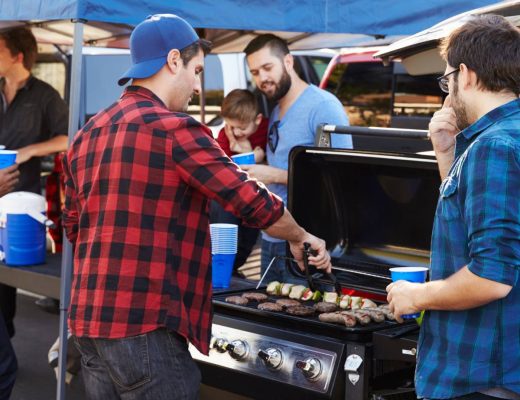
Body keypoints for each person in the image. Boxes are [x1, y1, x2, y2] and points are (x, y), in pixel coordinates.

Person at [62, 14, 331, 400]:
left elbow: (74, 226)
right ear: (173, 61)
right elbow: (250, 199)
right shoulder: (175, 129)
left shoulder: (89, 132)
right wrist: (300, 236)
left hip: (88, 323)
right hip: (144, 326)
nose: (197, 85)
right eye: (197, 70)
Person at [386, 15, 520, 400]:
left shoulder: (494, 147)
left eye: (446, 80)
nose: (448, 93)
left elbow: (492, 276)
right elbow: (478, 222)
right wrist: (446, 153)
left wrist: (419, 295)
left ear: (466, 75)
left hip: (482, 377)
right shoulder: (499, 139)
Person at [242, 34, 352, 283]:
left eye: (268, 68)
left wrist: (274, 175)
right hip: (271, 238)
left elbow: (342, 177)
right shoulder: (277, 109)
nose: (262, 78)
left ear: (288, 62)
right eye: (255, 72)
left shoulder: (323, 106)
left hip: (308, 243)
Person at [0, 27, 68, 336]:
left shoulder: (45, 95)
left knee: (9, 274)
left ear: (18, 55)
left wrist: (29, 150)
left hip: (20, 203)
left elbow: (70, 138)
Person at [211, 88, 268, 272]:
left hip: (254, 199)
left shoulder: (265, 129)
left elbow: (268, 154)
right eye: (231, 126)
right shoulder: (224, 135)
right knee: (226, 239)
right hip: (229, 200)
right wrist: (253, 154)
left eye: (242, 128)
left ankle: (236, 267)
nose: (235, 132)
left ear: (257, 120)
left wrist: (248, 152)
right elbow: (222, 166)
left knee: (248, 239)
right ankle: (225, 269)